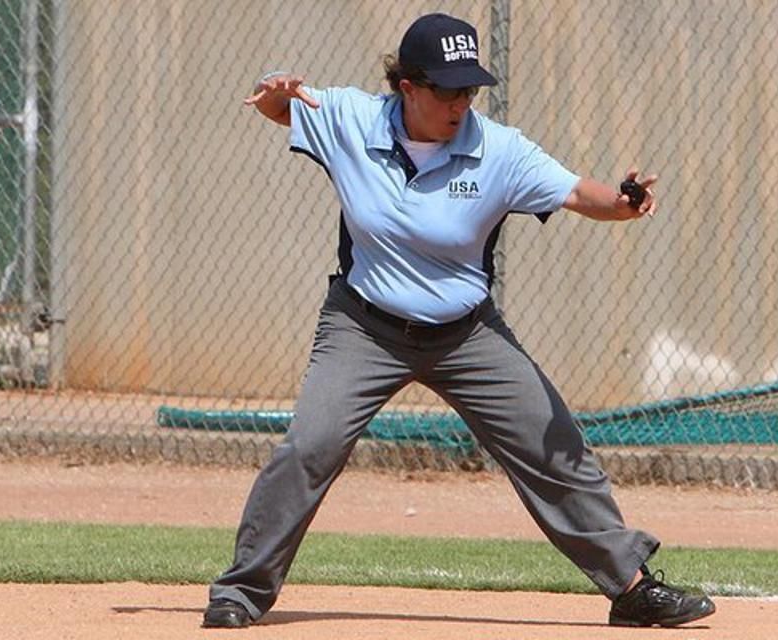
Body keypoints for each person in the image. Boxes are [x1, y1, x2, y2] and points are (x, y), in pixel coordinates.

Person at [204, 12, 715, 630]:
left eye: (469, 88)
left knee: (553, 446)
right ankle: (241, 592)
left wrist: (625, 201)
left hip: (467, 333)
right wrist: (273, 92)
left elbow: (582, 195)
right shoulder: (351, 117)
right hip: (363, 326)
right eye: (446, 88)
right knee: (310, 446)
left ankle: (631, 588)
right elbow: (281, 105)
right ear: (408, 87)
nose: (460, 102)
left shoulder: (497, 149)